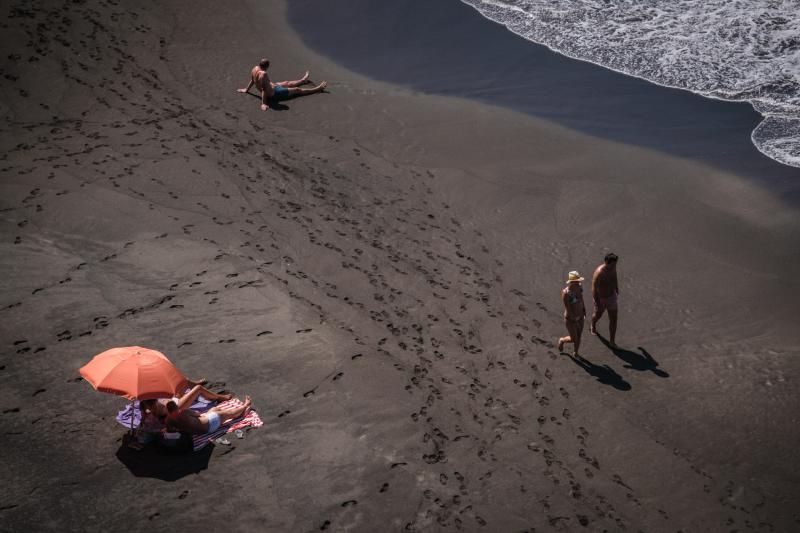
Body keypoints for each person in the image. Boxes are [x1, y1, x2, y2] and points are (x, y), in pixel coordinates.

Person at [238, 58, 327, 111]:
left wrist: (246, 89)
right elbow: (264, 89)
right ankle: (317, 89)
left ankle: (303, 80)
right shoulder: (263, 74)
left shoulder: (255, 68)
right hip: (274, 94)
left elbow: (253, 80)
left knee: (287, 83)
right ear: (267, 66)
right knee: (297, 90)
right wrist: (263, 103)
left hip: (273, 86)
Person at [166, 395, 252, 435]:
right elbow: (198, 415)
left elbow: (171, 430)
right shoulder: (184, 412)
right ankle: (245, 407)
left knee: (215, 410)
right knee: (230, 413)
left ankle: (235, 414)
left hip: (201, 431)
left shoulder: (168, 420)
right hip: (211, 423)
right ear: (176, 407)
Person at [591, 252, 620, 347]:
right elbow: (594, 289)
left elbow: (614, 276)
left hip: (611, 297)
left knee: (614, 319)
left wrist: (616, 287)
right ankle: (593, 324)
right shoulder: (599, 273)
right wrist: (597, 301)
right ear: (607, 262)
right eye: (613, 264)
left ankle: (612, 341)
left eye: (615, 264)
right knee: (598, 315)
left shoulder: (613, 268)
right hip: (601, 299)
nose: (615, 266)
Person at [558, 271, 586, 356]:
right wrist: (573, 318)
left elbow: (581, 299)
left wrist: (584, 309)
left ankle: (576, 352)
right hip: (570, 318)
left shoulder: (580, 288)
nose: (579, 282)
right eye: (577, 281)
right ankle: (562, 340)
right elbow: (568, 307)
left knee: (579, 336)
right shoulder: (566, 293)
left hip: (580, 316)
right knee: (574, 338)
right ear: (572, 282)